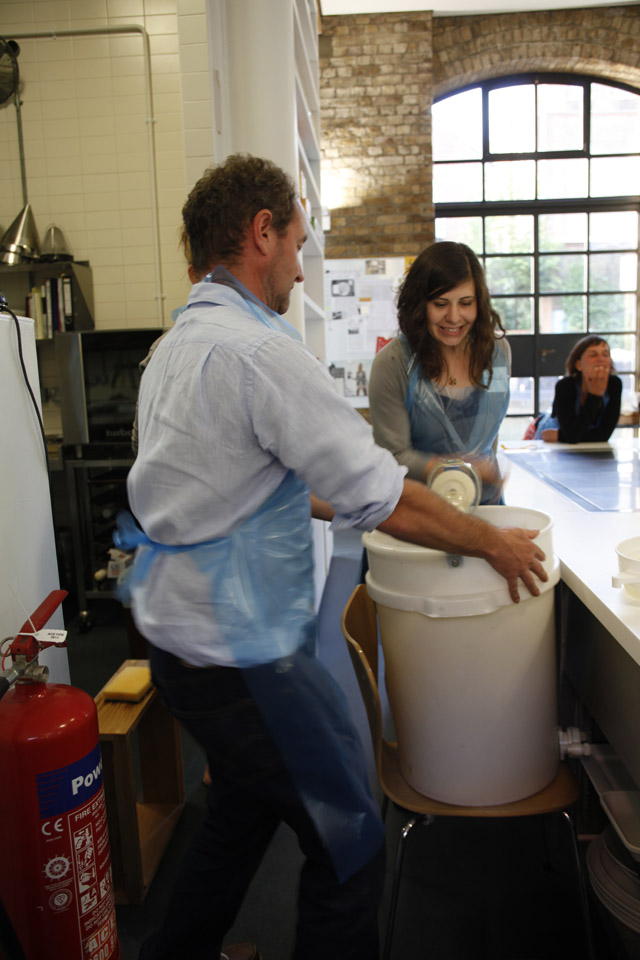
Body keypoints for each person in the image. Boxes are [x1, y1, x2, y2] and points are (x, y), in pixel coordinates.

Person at [117, 154, 547, 960]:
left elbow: (255, 484)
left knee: (240, 815)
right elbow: (383, 491)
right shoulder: (259, 351)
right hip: (242, 657)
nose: (301, 265)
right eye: (298, 243)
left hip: (177, 645)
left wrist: (376, 498)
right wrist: (488, 539)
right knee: (350, 837)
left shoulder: (174, 347)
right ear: (262, 233)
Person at [368, 241, 511, 505]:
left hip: (485, 504)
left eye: (466, 303)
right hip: (423, 511)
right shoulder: (392, 364)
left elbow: (490, 430)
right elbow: (393, 456)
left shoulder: (497, 353)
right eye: (440, 303)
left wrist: (483, 470)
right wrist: (463, 468)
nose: (454, 317)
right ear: (419, 305)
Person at [531, 335, 622, 443]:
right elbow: (572, 434)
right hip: (549, 440)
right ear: (578, 365)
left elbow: (603, 435)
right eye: (593, 355)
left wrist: (559, 436)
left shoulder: (614, 384)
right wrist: (595, 395)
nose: (601, 359)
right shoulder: (565, 386)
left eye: (605, 355)